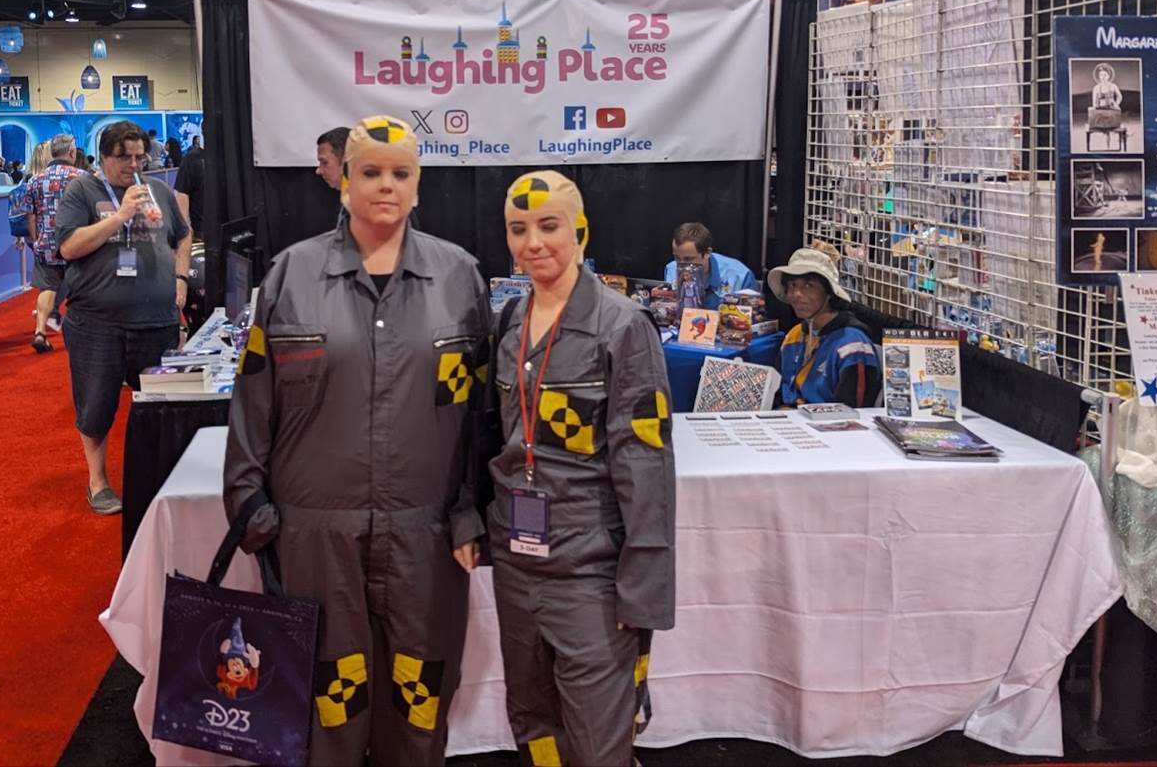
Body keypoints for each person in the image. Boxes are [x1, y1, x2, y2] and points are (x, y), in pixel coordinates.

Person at [225, 115, 489, 766]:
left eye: (401, 173)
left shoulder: (460, 278)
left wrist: (471, 509)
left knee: (418, 707)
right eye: (370, 172)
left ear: (418, 186)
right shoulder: (291, 275)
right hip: (316, 537)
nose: (385, 186)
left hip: (425, 539)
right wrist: (251, 507)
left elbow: (481, 415)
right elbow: (252, 399)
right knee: (325, 713)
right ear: (345, 180)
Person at [486, 170, 676, 767]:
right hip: (516, 564)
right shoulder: (509, 321)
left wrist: (642, 591)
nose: (533, 243)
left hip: (590, 572)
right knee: (533, 720)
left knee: (598, 739)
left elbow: (647, 464)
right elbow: (491, 438)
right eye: (518, 229)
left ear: (581, 232)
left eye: (549, 226)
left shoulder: (623, 326)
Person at [57, 121, 190, 514]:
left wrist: (181, 276)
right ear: (103, 157)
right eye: (124, 157)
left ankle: (158, 475)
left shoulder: (159, 190)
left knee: (159, 405)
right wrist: (120, 216)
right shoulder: (82, 191)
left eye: (139, 157)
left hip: (157, 320)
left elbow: (183, 234)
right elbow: (69, 247)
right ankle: (98, 482)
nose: (134, 165)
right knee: (96, 405)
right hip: (97, 323)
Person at [769, 245, 881, 408]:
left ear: (828, 292)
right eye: (792, 285)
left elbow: (854, 413)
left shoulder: (852, 345)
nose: (796, 294)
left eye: (808, 285)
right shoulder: (794, 335)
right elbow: (776, 392)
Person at [24, 134, 86, 353]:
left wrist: (35, 241)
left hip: (46, 244)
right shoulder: (82, 178)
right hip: (76, 242)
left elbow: (30, 216)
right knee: (81, 288)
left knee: (47, 288)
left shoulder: (35, 180)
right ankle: (80, 334)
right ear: (71, 152)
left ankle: (40, 332)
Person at [661, 221, 758, 308]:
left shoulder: (740, 276)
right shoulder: (671, 268)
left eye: (688, 259)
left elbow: (754, 316)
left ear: (707, 253)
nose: (682, 266)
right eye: (677, 258)